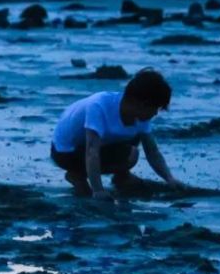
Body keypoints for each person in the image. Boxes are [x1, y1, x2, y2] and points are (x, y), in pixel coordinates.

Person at [51, 69, 185, 199]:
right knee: (131, 153)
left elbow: (152, 152)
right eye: (155, 108)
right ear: (140, 104)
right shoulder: (99, 105)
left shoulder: (140, 116)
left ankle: (121, 176)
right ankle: (77, 175)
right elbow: (92, 150)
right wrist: (98, 190)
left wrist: (169, 178)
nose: (156, 113)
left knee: (133, 151)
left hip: (100, 146)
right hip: (65, 152)